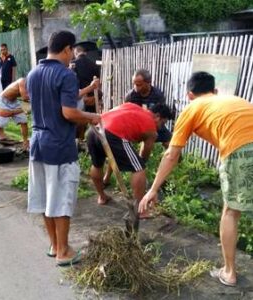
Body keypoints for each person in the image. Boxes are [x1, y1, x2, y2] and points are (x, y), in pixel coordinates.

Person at [139, 71, 253, 287]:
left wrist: (153, 189)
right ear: (215, 91)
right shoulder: (234, 99)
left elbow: (172, 154)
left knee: (230, 212)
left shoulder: (191, 109)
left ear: (189, 95)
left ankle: (229, 273)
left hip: (239, 150)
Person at [26, 31, 100, 267]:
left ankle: (54, 245)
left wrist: (86, 92)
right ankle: (64, 251)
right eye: (72, 53)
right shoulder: (66, 74)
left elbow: (53, 101)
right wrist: (92, 116)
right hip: (59, 146)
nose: (72, 57)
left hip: (38, 143)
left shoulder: (33, 73)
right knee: (61, 200)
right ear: (67, 49)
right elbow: (68, 112)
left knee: (46, 198)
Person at [87, 102, 173, 210]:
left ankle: (102, 197)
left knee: (97, 165)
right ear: (157, 117)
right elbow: (145, 153)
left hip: (95, 129)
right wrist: (140, 163)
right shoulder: (152, 128)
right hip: (113, 134)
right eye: (162, 123)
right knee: (139, 169)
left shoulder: (131, 106)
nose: (161, 127)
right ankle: (140, 210)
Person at [0, 78, 29, 151]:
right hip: (3, 101)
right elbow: (25, 97)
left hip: (14, 102)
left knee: (24, 121)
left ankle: (25, 142)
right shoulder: (22, 82)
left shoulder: (29, 83)